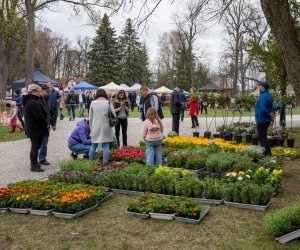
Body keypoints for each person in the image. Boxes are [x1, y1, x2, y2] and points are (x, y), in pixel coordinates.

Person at [23, 84, 49, 172]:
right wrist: (46, 123)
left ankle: (35, 163)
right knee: (35, 147)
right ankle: (34, 165)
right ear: (34, 91)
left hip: (33, 128)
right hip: (35, 129)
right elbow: (38, 116)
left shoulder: (30, 101)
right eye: (39, 91)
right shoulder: (33, 102)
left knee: (35, 146)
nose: (40, 93)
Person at [89, 89, 115, 163]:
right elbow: (114, 115)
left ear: (97, 95)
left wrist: (91, 128)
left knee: (93, 145)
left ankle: (90, 163)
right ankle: (105, 163)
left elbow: (90, 118)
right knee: (106, 146)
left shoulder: (93, 103)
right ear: (105, 95)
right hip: (106, 126)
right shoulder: (108, 103)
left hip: (95, 126)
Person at [255, 81, 275, 156]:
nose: (258, 87)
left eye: (259, 86)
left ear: (263, 87)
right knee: (263, 137)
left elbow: (263, 108)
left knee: (262, 138)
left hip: (262, 119)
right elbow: (271, 107)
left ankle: (268, 155)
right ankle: (264, 154)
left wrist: (269, 113)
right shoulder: (269, 95)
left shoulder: (263, 96)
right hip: (266, 120)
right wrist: (271, 113)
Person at [38, 85, 55, 166]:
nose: (48, 93)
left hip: (46, 125)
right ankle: (35, 159)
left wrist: (53, 123)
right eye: (47, 91)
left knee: (44, 143)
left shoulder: (48, 100)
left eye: (49, 92)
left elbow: (50, 113)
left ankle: (42, 158)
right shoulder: (37, 100)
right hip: (39, 125)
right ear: (42, 91)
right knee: (37, 144)